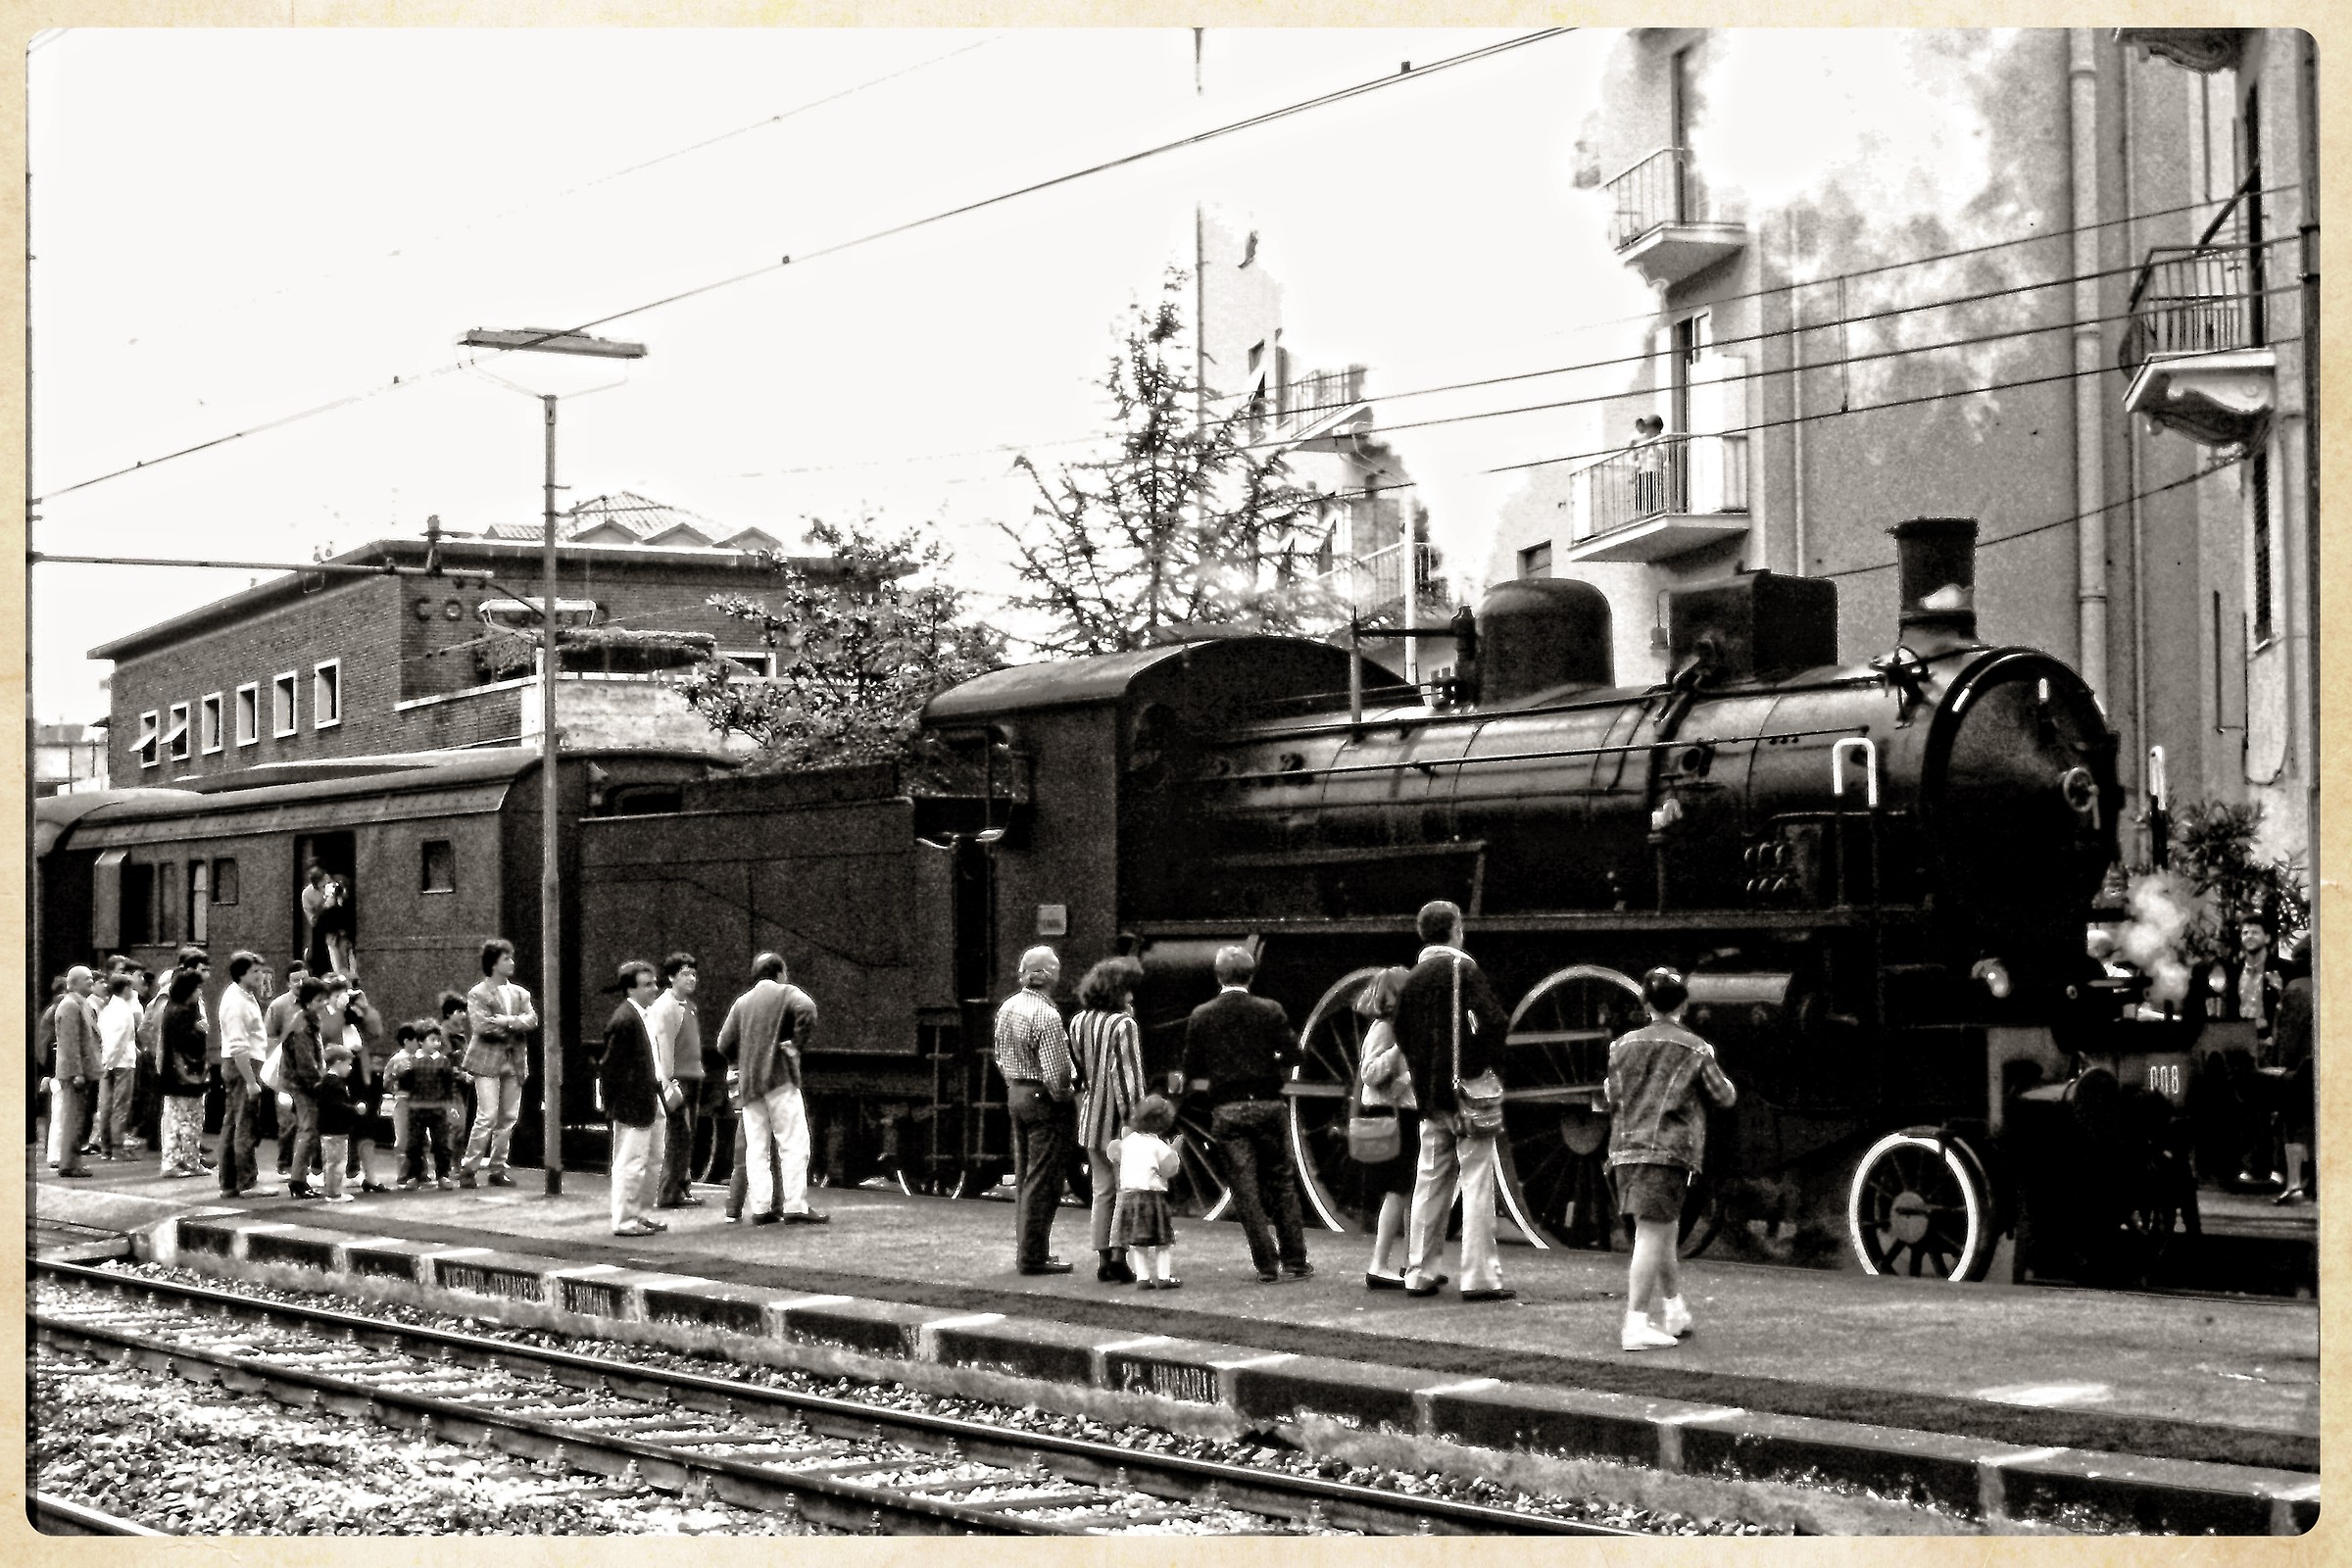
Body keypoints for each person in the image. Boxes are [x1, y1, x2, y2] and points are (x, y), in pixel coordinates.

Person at [1604, 966, 1738, 1351]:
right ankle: (1635, 1323)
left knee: (1663, 1230)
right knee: (1652, 1233)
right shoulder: (1696, 1048)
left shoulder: (1619, 1047)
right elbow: (1724, 1095)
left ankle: (1674, 1308)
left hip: (1624, 1148)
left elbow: (1611, 1094)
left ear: (1645, 1003)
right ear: (1685, 1004)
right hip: (1667, 1150)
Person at [1394, 903, 1513, 1302]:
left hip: (1430, 1096)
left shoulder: (1412, 979)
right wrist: (1485, 1067)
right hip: (1467, 1094)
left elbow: (1402, 1034)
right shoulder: (1464, 969)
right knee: (1477, 1182)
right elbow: (1494, 1021)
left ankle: (1419, 1272)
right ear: (1456, 929)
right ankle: (1479, 1277)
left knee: (1429, 1182)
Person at [1177, 945, 1311, 1285]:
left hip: (1228, 1107)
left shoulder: (1202, 1014)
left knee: (1244, 1188)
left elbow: (1191, 1065)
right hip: (1268, 1104)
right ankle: (1296, 1260)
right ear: (1251, 975)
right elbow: (1294, 1055)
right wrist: (1269, 1061)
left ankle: (1266, 1264)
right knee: (1281, 1181)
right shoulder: (1270, 1009)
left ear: (1218, 975)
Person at [713, 952, 827, 1226]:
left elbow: (723, 1043)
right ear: (780, 973)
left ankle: (762, 1208)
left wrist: (742, 1060)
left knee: (757, 1147)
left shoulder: (742, 1002)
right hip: (780, 1078)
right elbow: (808, 1009)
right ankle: (795, 1205)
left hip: (750, 1085)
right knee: (793, 1143)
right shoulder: (787, 993)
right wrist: (796, 1043)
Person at [996, 945, 1076, 1274]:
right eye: (1056, 967)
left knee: (1026, 1177)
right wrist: (1067, 1096)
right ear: (1048, 975)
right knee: (1043, 1181)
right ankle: (1033, 1256)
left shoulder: (1007, 1007)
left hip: (1017, 1092)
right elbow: (1057, 1073)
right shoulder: (1047, 1015)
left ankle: (1029, 1250)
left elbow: (1000, 1056)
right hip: (1043, 1099)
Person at [1069, 956, 1149, 1284]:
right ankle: (1119, 1256)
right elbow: (1127, 1077)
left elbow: (1078, 1070)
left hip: (1090, 1116)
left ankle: (1102, 1257)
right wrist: (1136, 1118)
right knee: (1125, 1190)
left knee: (1101, 1190)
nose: (1132, 995)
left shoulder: (1078, 1021)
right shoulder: (1123, 1025)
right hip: (1118, 1122)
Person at [1353, 966, 1421, 1290]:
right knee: (1398, 1189)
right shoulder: (1384, 1028)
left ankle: (1410, 1261)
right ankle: (1379, 1264)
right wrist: (1397, 1051)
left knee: (1408, 1189)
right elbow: (1369, 1072)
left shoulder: (1399, 1026)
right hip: (1390, 1112)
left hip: (1404, 1113)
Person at [601, 960, 672, 1238]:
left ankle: (641, 1213)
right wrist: (614, 1104)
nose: (654, 988)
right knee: (630, 1162)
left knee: (652, 1159)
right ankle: (625, 1220)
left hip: (649, 1096)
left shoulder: (643, 1015)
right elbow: (610, 1067)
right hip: (633, 1102)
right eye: (647, 985)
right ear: (631, 989)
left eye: (654, 983)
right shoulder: (625, 1020)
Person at [461, 939, 538, 1188]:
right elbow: (482, 1026)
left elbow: (533, 1020)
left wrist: (506, 1021)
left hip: (514, 1061)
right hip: (486, 1061)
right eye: (506, 959)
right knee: (487, 1115)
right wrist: (517, 1025)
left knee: (508, 1117)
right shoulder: (478, 993)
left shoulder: (521, 993)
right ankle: (469, 1168)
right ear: (494, 964)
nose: (512, 963)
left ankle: (498, 1167)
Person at [646, 953, 706, 1209]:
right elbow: (664, 1044)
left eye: (693, 974)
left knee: (685, 1135)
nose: (691, 979)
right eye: (685, 974)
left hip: (691, 1074)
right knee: (679, 1134)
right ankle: (669, 1192)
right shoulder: (667, 1007)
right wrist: (669, 1081)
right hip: (678, 1078)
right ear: (671, 977)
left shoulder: (687, 1005)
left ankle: (681, 1186)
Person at [216, 951, 274, 1199]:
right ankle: (246, 1181)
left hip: (242, 1064)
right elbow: (238, 1046)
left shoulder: (243, 995)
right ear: (241, 974)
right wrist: (251, 1081)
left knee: (233, 1123)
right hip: (243, 1066)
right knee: (244, 1124)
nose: (260, 976)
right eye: (255, 972)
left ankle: (230, 1182)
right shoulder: (236, 1003)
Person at [1108, 1095, 1183, 1290]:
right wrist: (1174, 1151)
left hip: (1128, 1196)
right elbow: (1169, 1169)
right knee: (1162, 1241)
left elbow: (1114, 1153)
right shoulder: (1158, 1145)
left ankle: (1142, 1277)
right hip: (1152, 1196)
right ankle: (1164, 1276)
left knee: (1137, 1242)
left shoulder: (1128, 1142)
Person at [278, 976, 333, 1200]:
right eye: (319, 1000)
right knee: (308, 1131)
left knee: (307, 1131)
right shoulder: (302, 1026)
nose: (323, 1004)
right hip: (304, 1086)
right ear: (308, 1001)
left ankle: (299, 1179)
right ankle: (298, 1180)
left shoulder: (304, 1020)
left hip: (300, 1083)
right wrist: (319, 1084)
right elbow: (306, 1063)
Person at [394, 1018, 461, 1190]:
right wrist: (402, 1075)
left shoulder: (443, 1061)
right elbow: (404, 1085)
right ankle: (415, 1175)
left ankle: (443, 1175)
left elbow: (449, 1086)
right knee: (414, 1145)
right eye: (432, 1040)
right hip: (416, 1109)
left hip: (438, 1108)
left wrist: (452, 1106)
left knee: (441, 1143)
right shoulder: (411, 1061)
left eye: (438, 1040)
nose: (436, 1043)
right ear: (421, 1041)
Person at [157, 969, 211, 1178]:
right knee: (191, 1120)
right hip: (186, 1077)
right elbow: (187, 1043)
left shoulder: (170, 1008)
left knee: (173, 1120)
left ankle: (172, 1161)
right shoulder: (184, 1013)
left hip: (172, 1075)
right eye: (197, 988)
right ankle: (190, 1161)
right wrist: (200, 1030)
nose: (200, 992)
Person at [49, 966, 100, 1178]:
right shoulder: (70, 1006)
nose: (91, 981)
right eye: (86, 978)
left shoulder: (82, 1004)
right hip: (75, 1074)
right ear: (74, 983)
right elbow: (70, 1043)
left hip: (84, 1071)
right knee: (73, 1119)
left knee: (79, 1119)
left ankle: (73, 1161)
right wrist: (77, 1073)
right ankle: (69, 1164)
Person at [265, 960, 310, 1178]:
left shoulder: (316, 1002)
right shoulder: (279, 1006)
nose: (300, 984)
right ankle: (285, 1164)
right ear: (288, 983)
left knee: (308, 1121)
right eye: (295, 980)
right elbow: (270, 1038)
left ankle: (306, 1164)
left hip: (309, 1070)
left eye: (304, 979)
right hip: (286, 1071)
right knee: (288, 1121)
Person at [94, 972, 143, 1162]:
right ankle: (117, 1147)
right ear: (126, 989)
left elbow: (103, 1038)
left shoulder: (107, 1010)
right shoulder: (124, 1011)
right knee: (120, 1105)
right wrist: (112, 1062)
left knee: (105, 1105)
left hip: (106, 1061)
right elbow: (122, 1040)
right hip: (122, 1063)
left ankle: (106, 1146)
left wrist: (106, 1062)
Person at [314, 1044, 362, 1203]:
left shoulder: (325, 1082)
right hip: (336, 1130)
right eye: (348, 1064)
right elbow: (337, 1106)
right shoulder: (334, 1084)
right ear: (338, 1062)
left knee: (331, 1162)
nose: (350, 1068)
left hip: (327, 1129)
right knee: (337, 1162)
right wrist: (355, 1110)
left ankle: (332, 1190)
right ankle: (334, 1193)